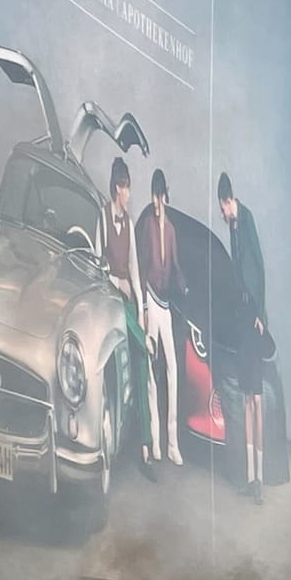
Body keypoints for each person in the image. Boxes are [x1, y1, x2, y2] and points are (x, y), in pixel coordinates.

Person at [102, 158, 157, 481]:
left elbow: (135, 272)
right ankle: (146, 340)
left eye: (130, 187)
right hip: (109, 300)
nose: (129, 194)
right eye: (126, 188)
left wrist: (140, 305)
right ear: (117, 189)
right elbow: (96, 261)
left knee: (142, 370)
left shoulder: (131, 222)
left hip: (128, 304)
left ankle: (146, 450)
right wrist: (115, 281)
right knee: (142, 344)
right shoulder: (102, 217)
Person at [218, 173, 266, 502]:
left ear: (228, 201)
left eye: (222, 208)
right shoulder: (233, 228)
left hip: (255, 319)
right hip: (242, 319)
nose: (222, 215)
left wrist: (262, 314)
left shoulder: (245, 219)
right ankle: (251, 477)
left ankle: (259, 477)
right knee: (248, 398)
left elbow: (258, 267)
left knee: (257, 400)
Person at [136, 168, 187, 467]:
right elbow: (142, 267)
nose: (156, 201)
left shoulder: (170, 230)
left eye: (159, 195)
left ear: (165, 195)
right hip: (150, 302)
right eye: (154, 195)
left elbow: (176, 265)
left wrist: (184, 283)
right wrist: (143, 308)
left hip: (166, 304)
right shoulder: (147, 228)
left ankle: (172, 443)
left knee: (173, 369)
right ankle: (154, 440)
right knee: (151, 372)